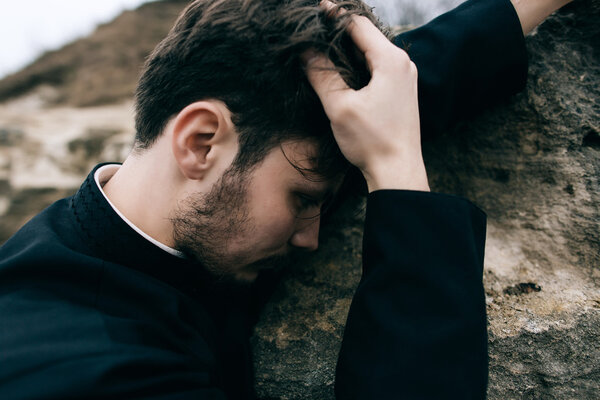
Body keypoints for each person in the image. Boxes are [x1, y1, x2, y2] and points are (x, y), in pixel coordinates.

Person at [0, 0, 572, 398]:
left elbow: (395, 92)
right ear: (199, 143)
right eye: (303, 198)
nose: (310, 235)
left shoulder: (177, 211)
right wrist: (396, 169)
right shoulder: (87, 371)